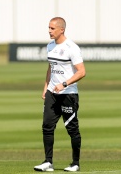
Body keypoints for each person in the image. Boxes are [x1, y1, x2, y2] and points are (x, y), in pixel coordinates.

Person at [34, 17, 86, 172]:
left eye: (52, 28)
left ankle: (75, 163)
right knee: (47, 127)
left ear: (61, 29)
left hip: (68, 95)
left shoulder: (72, 48)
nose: (49, 31)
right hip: (52, 93)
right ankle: (48, 162)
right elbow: (51, 67)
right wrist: (46, 87)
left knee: (72, 129)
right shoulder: (50, 46)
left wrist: (64, 84)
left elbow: (82, 72)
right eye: (48, 28)